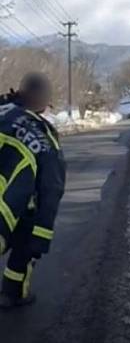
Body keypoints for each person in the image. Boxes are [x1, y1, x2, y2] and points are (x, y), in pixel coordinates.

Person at [0, 72, 66, 307]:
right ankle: (13, 293)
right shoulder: (44, 137)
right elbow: (51, 189)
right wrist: (41, 236)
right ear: (43, 102)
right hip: (5, 213)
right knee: (26, 242)